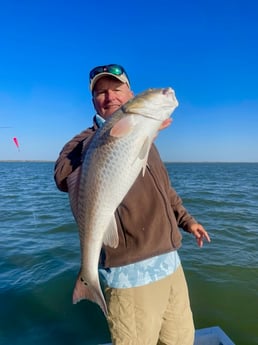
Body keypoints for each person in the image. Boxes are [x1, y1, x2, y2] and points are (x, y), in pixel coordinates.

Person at [54, 64, 211, 345]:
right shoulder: (83, 141)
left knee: (182, 340)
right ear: (93, 102)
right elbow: (62, 174)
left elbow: (165, 190)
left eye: (116, 89)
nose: (109, 96)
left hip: (170, 266)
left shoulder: (148, 139)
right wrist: (114, 133)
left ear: (132, 94)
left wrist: (188, 221)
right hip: (130, 277)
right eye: (101, 92)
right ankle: (87, 276)